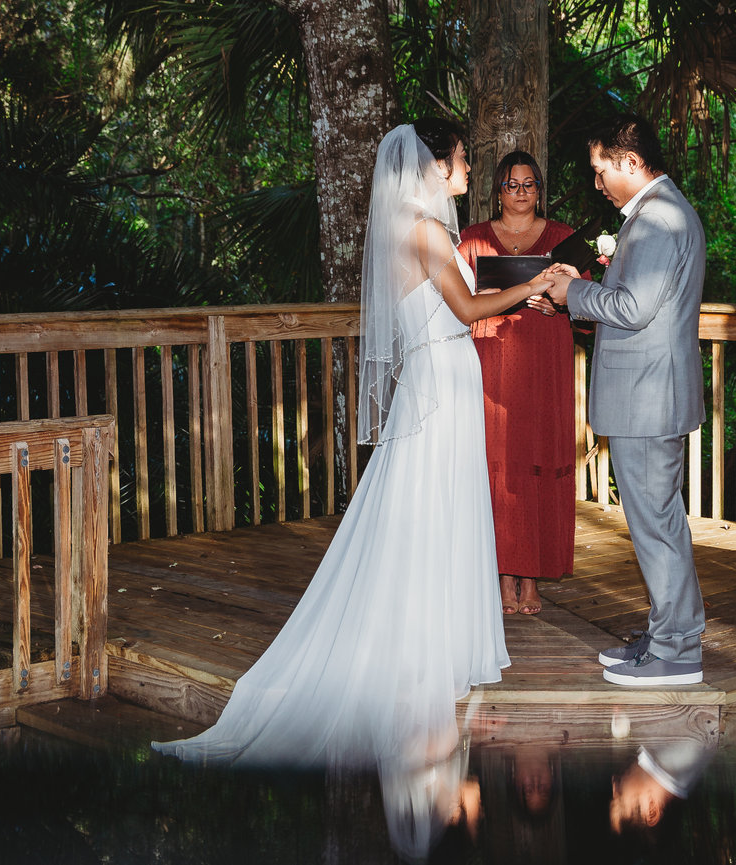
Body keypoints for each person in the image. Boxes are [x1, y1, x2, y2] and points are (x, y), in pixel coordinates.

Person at [154, 119, 551, 856]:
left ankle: (436, 653)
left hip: (446, 381)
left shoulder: (418, 224)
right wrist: (533, 287)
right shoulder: (427, 230)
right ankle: (419, 659)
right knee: (429, 517)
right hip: (440, 381)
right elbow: (464, 313)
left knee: (438, 514)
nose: (470, 170)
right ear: (436, 165)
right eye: (464, 161)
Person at [545, 113, 707, 687]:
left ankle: (678, 652)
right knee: (659, 522)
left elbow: (634, 310)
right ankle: (668, 632)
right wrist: (583, 287)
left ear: (629, 162)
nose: (597, 183)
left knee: (656, 526)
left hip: (648, 397)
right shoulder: (658, 214)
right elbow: (639, 301)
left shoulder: (659, 219)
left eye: (600, 170)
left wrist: (573, 293)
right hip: (648, 393)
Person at [457, 151, 578, 616]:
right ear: (498, 192)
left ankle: (531, 577)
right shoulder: (472, 241)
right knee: (497, 463)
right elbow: (452, 302)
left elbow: (588, 300)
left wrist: (562, 305)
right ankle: (502, 575)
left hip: (545, 362)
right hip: (490, 362)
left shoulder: (563, 239)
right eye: (512, 185)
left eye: (530, 184)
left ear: (539, 190)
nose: (522, 193)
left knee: (537, 457)